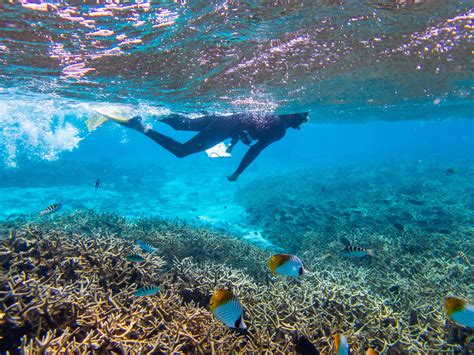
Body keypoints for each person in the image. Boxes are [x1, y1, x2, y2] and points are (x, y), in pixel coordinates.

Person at [118, 112, 309, 181]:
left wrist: (233, 144)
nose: (301, 124)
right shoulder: (280, 129)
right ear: (294, 117)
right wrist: (237, 173)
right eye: (302, 118)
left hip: (223, 117)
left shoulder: (271, 113)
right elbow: (255, 149)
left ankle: (144, 111)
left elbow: (247, 123)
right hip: (224, 128)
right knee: (181, 151)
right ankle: (142, 128)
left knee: (181, 124)